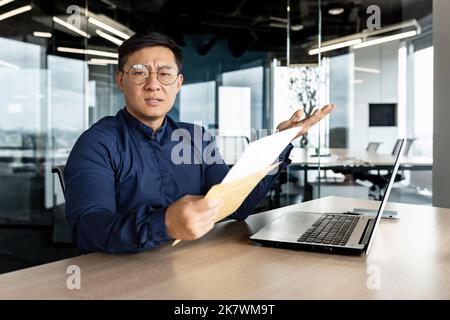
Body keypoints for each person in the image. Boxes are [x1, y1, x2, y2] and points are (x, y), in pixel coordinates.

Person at [64, 32, 335, 254]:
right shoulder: (97, 143)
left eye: (165, 74)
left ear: (178, 83)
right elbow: (88, 230)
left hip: (194, 265)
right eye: (139, 73)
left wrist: (281, 141)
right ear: (121, 80)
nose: (153, 84)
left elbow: (237, 206)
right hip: (123, 277)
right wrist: (165, 223)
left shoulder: (196, 137)